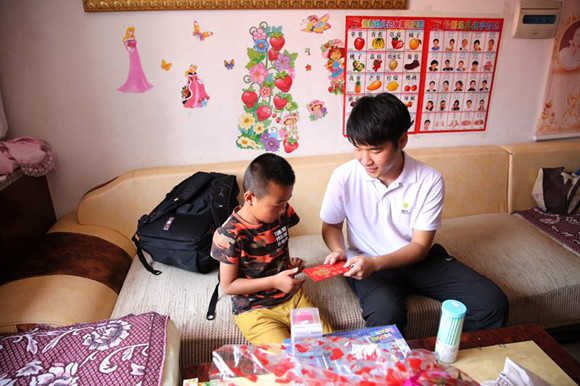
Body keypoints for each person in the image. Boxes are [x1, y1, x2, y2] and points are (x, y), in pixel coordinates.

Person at [319, 93, 508, 334]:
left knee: (491, 303)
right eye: (358, 148)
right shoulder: (344, 176)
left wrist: (378, 263)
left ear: (402, 141)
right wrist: (339, 251)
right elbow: (331, 226)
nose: (365, 160)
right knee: (385, 319)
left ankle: (461, 363)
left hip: (417, 260)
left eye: (375, 150)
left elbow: (420, 246)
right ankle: (396, 371)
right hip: (367, 262)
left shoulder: (429, 180)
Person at [211, 153, 332, 345]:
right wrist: (275, 281)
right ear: (250, 198)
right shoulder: (229, 235)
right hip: (255, 310)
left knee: (331, 347)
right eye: (277, 204)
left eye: (287, 201)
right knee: (289, 363)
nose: (284, 210)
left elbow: (278, 242)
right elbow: (229, 285)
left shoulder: (283, 212)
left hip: (293, 299)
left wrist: (285, 265)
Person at [117, 26, 154, 93]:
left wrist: (133, 51)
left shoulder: (133, 38)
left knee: (138, 67)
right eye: (130, 31)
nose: (131, 32)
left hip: (136, 53)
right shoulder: (127, 39)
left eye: (132, 31)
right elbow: (126, 47)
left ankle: (140, 82)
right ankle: (134, 83)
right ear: (128, 32)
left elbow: (135, 46)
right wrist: (130, 52)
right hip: (132, 53)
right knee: (133, 68)